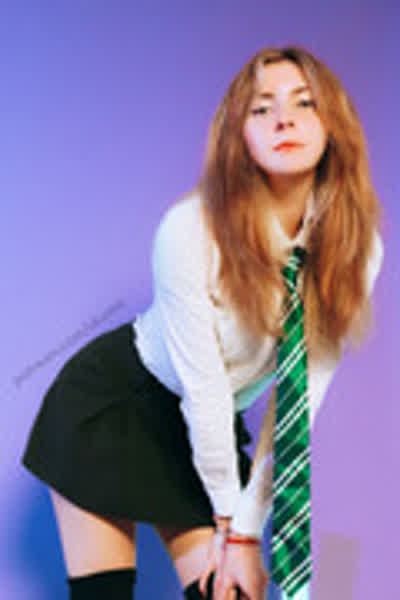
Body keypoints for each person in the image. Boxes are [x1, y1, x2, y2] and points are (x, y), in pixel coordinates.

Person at [21, 44, 384, 600]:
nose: (283, 118)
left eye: (304, 103)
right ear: (238, 134)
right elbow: (204, 388)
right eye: (261, 108)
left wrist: (246, 531)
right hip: (114, 404)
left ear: (334, 124)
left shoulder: (356, 251)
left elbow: (296, 407)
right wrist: (230, 526)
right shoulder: (191, 229)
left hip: (199, 429)